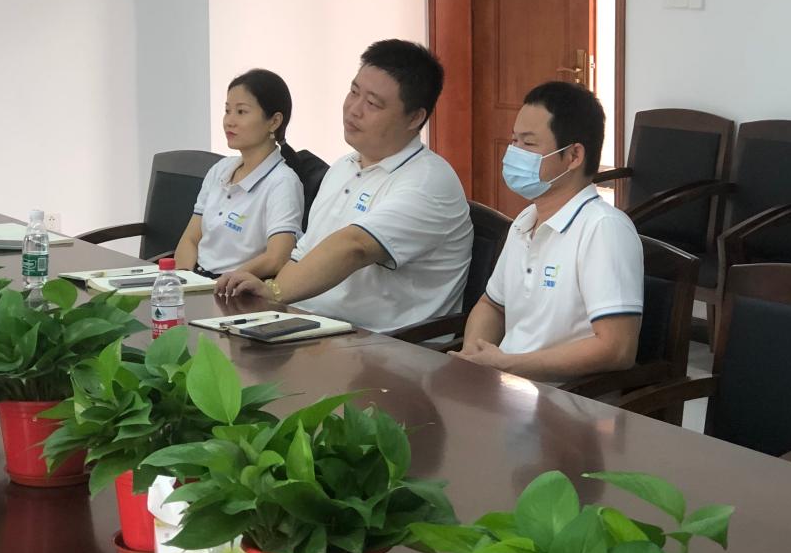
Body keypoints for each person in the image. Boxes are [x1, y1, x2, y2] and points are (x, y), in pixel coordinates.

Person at [217, 39, 472, 333]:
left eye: (372, 103)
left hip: (383, 343)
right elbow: (303, 254)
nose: (354, 109)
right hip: (314, 326)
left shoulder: (428, 182)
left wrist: (274, 291)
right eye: (353, 92)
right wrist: (270, 300)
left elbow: (355, 246)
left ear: (415, 117)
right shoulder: (343, 167)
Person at [451, 81, 643, 384]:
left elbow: (616, 348)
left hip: (565, 399)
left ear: (574, 156)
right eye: (514, 140)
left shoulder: (604, 229)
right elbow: (492, 305)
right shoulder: (525, 220)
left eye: (528, 144)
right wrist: (474, 356)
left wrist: (508, 365)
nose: (513, 153)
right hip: (507, 386)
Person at [175, 69, 304, 278]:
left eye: (241, 112)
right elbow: (190, 239)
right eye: (227, 110)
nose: (229, 121)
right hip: (198, 280)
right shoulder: (220, 169)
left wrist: (222, 283)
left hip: (237, 288)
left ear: (274, 121)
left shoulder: (282, 182)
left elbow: (277, 258)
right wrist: (184, 280)